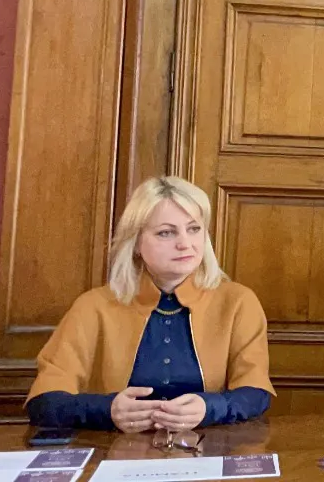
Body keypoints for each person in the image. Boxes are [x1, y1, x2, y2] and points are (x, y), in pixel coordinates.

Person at [25, 176, 274, 431]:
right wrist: (108, 410)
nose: (185, 244)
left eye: (194, 229)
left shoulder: (238, 301)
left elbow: (256, 394)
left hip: (211, 445)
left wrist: (209, 408)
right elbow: (44, 402)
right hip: (114, 447)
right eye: (166, 233)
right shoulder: (93, 306)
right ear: (135, 243)